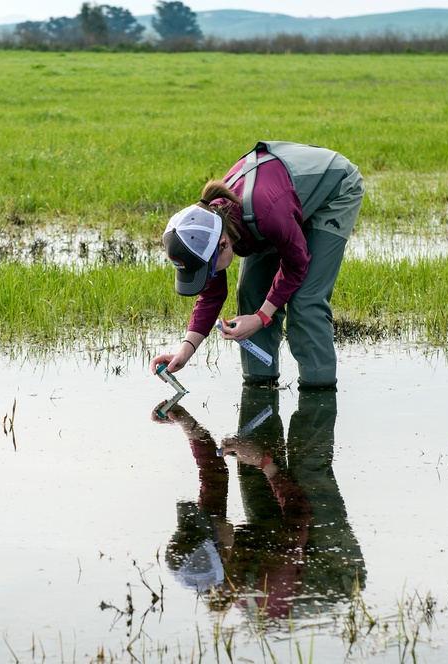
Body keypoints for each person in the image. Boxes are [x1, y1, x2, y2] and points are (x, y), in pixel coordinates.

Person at [149, 141, 364, 389]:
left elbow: (296, 264)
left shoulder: (267, 214)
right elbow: (211, 296)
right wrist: (185, 351)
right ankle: (260, 384)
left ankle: (318, 393)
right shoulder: (208, 225)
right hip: (280, 204)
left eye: (208, 269)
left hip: (334, 190)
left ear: (223, 244)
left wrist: (262, 317)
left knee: (305, 300)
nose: (210, 276)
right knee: (250, 292)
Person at [152, 386, 366, 614]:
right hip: (332, 573)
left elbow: (212, 475)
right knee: (306, 472)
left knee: (248, 458)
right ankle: (318, 390)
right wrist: (264, 462)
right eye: (206, 525)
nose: (205, 517)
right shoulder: (270, 577)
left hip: (264, 545)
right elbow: (298, 512)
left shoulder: (214, 540)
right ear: (222, 553)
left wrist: (186, 422)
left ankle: (261, 381)